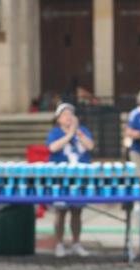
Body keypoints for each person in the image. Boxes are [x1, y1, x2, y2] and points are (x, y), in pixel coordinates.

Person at [47, 102, 95, 257]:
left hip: (79, 178)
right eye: (64, 114)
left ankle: (76, 242)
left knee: (77, 211)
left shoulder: (83, 131)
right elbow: (52, 148)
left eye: (71, 114)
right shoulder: (55, 132)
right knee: (60, 212)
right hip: (61, 178)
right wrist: (69, 134)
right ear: (58, 119)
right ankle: (59, 244)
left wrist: (78, 133)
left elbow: (90, 146)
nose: (68, 117)